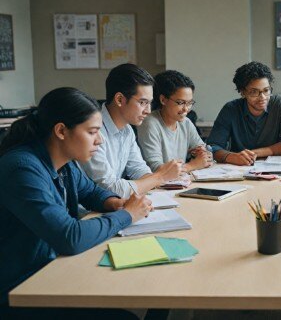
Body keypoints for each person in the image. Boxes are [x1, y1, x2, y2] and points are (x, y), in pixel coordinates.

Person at [0, 88, 150, 318]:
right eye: (92, 132)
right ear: (61, 130)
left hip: (51, 270)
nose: (99, 140)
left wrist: (114, 203)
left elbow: (91, 192)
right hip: (20, 289)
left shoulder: (64, 162)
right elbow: (70, 237)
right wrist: (126, 215)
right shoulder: (22, 168)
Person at [81, 63, 182, 197]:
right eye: (142, 103)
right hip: (88, 213)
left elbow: (138, 169)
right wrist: (159, 177)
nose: (148, 111)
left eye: (150, 103)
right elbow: (110, 188)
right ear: (119, 99)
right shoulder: (92, 132)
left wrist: (160, 179)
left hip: (114, 206)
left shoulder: (127, 129)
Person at [207, 61, 281, 165]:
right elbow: (212, 146)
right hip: (239, 167)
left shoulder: (279, 105)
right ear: (243, 92)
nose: (263, 97)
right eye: (254, 92)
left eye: (266, 90)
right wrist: (231, 157)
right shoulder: (230, 109)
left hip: (274, 168)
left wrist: (255, 153)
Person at [137, 70, 212, 172]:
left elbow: (206, 155)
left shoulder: (186, 123)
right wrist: (192, 166)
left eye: (189, 103)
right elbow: (156, 169)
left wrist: (203, 153)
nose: (186, 109)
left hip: (180, 182)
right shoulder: (149, 123)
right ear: (163, 100)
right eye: (181, 102)